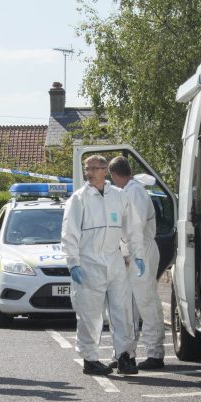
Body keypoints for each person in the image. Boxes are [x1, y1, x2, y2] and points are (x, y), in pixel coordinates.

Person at [62, 154, 145, 376]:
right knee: (89, 314)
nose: (88, 172)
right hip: (89, 263)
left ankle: (125, 356)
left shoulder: (119, 196)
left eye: (94, 168)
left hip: (114, 261)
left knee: (123, 312)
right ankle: (90, 359)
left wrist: (137, 255)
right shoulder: (78, 199)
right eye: (87, 168)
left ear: (105, 170)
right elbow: (69, 234)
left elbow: (133, 228)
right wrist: (73, 264)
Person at [108, 156, 166, 369]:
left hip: (140, 249)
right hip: (134, 250)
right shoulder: (131, 190)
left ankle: (155, 353)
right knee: (130, 305)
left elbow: (135, 227)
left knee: (145, 301)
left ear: (114, 175)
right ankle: (126, 353)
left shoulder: (134, 192)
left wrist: (131, 254)